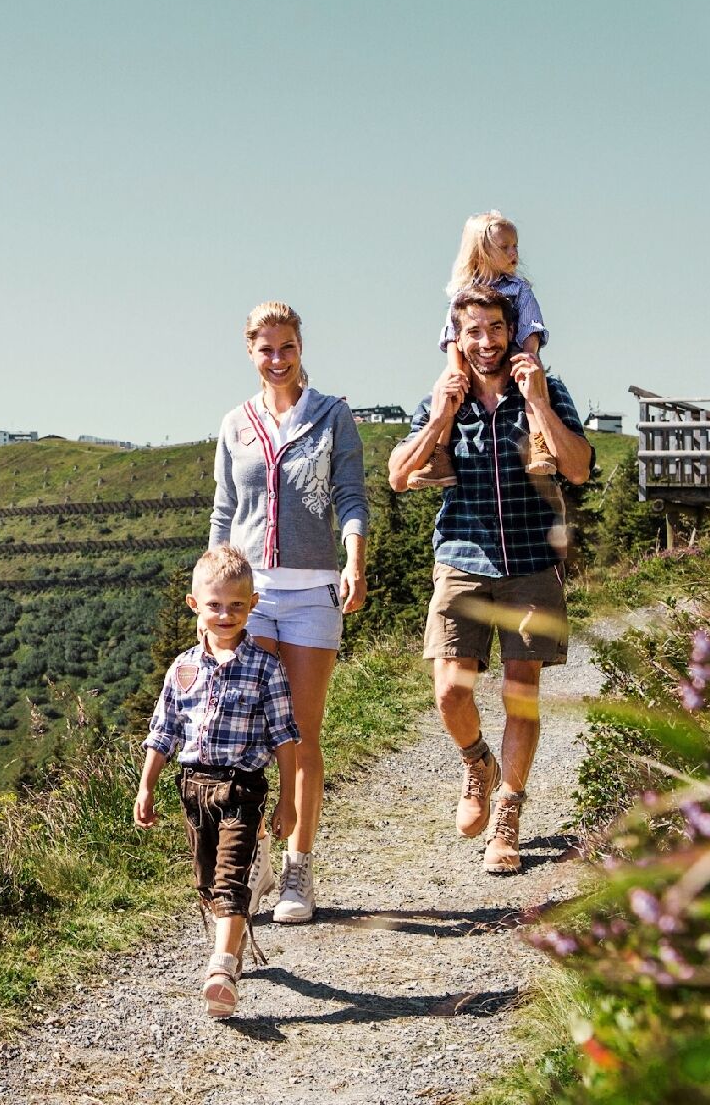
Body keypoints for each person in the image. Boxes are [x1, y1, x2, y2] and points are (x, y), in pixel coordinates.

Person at [386, 284, 590, 873]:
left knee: (520, 693)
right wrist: (440, 418)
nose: (485, 342)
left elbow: (578, 468)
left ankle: (508, 814)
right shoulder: (444, 396)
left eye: (495, 328)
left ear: (511, 330)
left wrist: (539, 404)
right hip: (462, 558)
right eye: (473, 331)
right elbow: (398, 477)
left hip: (530, 561)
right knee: (450, 690)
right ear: (458, 337)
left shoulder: (546, 389)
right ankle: (478, 761)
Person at [208, 302, 368, 923]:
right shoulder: (235, 423)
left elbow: (350, 497)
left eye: (288, 348)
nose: (277, 360)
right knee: (248, 734)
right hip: (249, 597)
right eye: (266, 350)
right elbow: (224, 512)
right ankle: (255, 859)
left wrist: (354, 561)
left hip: (311, 594)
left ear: (301, 348)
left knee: (300, 735)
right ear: (250, 352)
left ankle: (299, 866)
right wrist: (212, 589)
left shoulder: (332, 416)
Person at [134, 545, 300, 1018]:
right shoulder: (182, 668)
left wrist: (288, 800)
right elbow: (163, 732)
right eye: (215, 605)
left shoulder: (265, 667)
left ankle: (222, 970)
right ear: (195, 605)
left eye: (236, 605)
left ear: (253, 605)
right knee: (208, 883)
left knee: (228, 883)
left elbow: (285, 738)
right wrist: (147, 786)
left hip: (243, 787)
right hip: (193, 789)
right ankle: (241, 916)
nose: (225, 615)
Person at [412, 210, 553, 488]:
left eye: (515, 246)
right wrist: (456, 370)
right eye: (505, 247)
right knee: (446, 390)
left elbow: (531, 325)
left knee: (532, 385)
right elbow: (452, 335)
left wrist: (529, 356)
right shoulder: (463, 293)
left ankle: (539, 443)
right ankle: (440, 456)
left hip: (512, 354)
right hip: (471, 361)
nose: (514, 253)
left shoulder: (519, 289)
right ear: (482, 252)